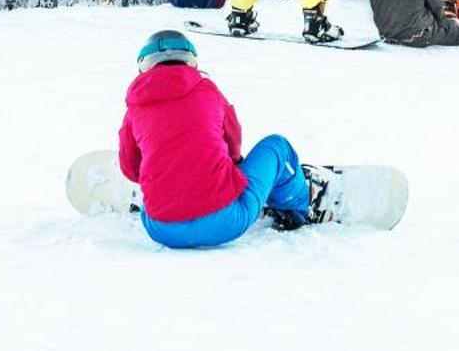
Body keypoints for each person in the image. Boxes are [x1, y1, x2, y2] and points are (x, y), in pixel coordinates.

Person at [117, 30, 326, 248]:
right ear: (191, 61)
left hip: (160, 229)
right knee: (277, 145)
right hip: (226, 223)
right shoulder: (208, 92)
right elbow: (233, 142)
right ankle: (297, 206)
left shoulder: (135, 108)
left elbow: (131, 169)